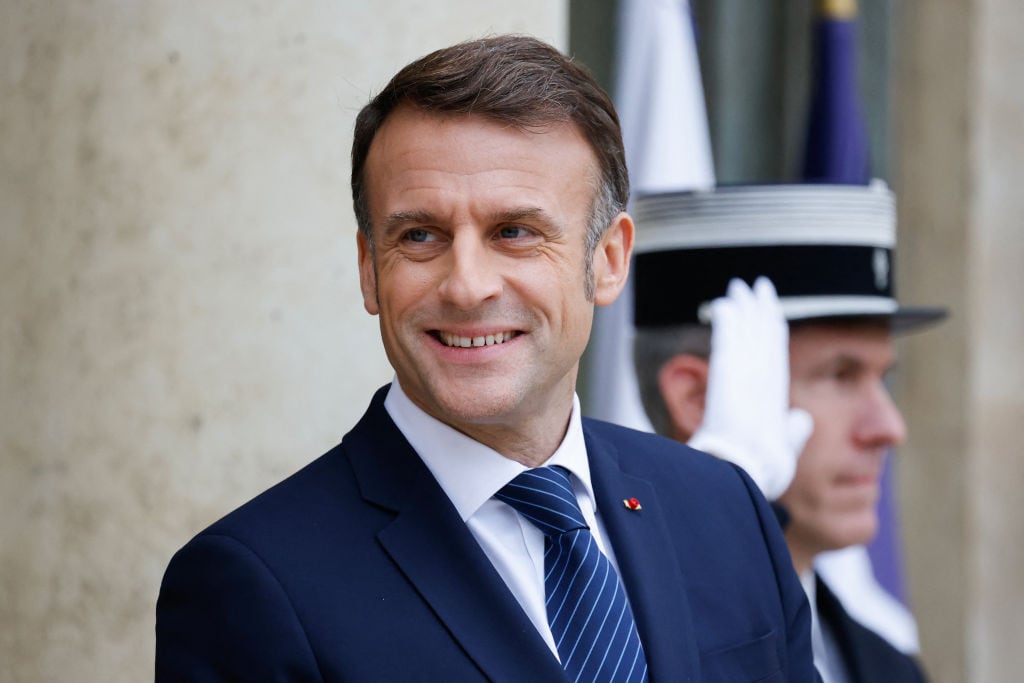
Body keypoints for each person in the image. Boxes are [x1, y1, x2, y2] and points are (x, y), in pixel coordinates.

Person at [155, 35, 819, 681]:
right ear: (369, 270)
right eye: (420, 235)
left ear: (608, 260)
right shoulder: (254, 584)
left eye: (514, 232)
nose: (467, 284)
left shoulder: (725, 509)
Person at [631, 181, 944, 682]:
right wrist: (719, 495)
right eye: (840, 375)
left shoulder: (889, 668)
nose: (889, 428)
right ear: (697, 400)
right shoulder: (606, 645)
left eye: (883, 378)